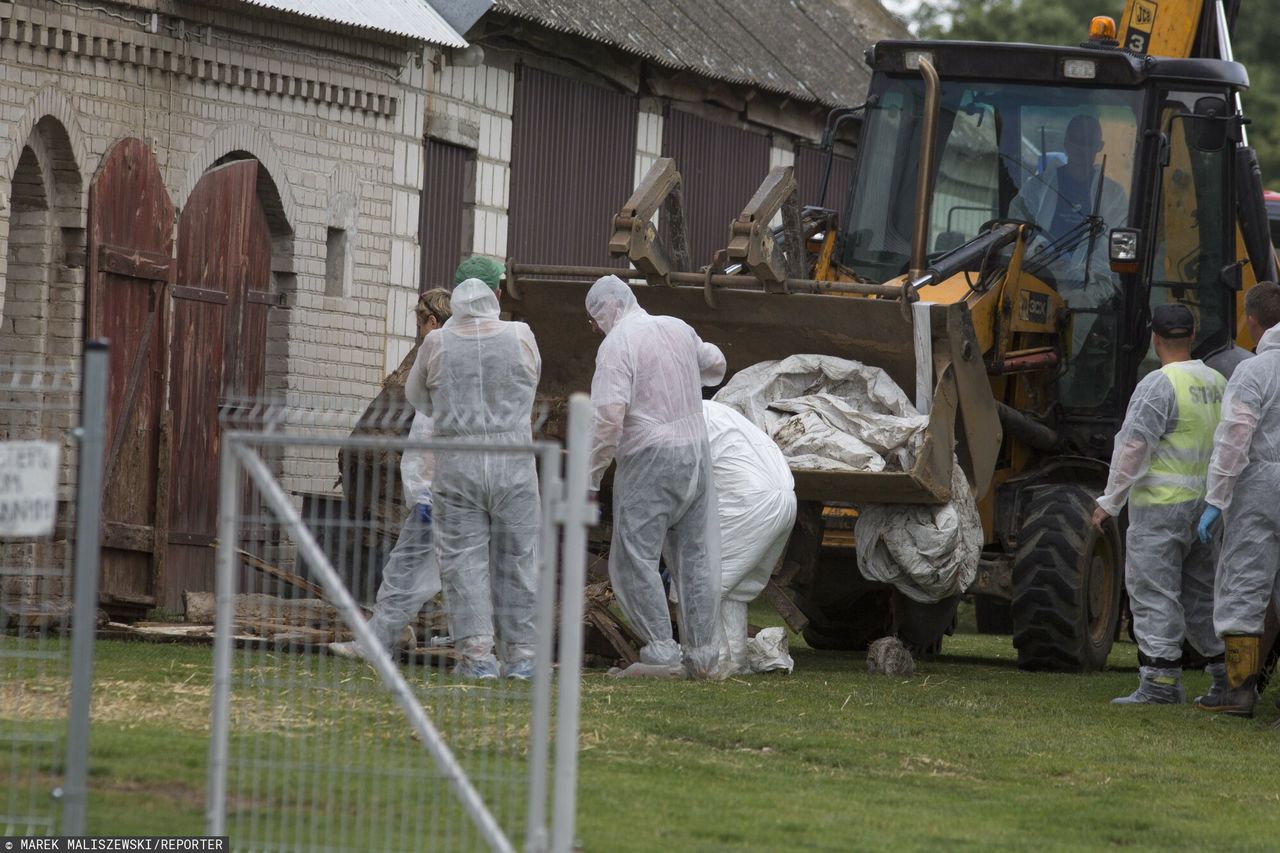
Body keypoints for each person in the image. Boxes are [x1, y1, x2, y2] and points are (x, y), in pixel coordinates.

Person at [405, 260, 542, 680]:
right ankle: (521, 658)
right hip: (513, 463)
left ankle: (478, 657)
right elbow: (531, 383)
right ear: (496, 297)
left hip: (458, 462)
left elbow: (418, 397)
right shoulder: (521, 335)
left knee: (464, 562)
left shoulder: (438, 343)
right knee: (518, 557)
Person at [586, 274, 726, 679]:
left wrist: (591, 479)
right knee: (696, 556)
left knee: (635, 558)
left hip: (650, 458)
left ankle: (663, 653)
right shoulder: (677, 327)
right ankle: (703, 657)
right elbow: (715, 363)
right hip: (696, 455)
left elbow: (608, 419)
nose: (596, 328)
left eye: (595, 319)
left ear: (608, 310)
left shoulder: (617, 345)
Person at [1090, 304, 1225, 704]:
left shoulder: (1158, 385)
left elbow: (1133, 447)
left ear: (1155, 338)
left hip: (1161, 509)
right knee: (1204, 596)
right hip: (1206, 510)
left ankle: (1160, 684)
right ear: (1193, 335)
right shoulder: (1218, 381)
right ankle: (1225, 679)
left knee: (1154, 592)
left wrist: (1108, 503)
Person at [330, 289, 453, 660]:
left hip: (433, 488)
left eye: (418, 324)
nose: (417, 332)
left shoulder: (434, 349)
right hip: (453, 484)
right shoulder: (474, 349)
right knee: (455, 569)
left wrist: (424, 489)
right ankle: (474, 645)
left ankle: (382, 639)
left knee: (406, 567)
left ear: (430, 322)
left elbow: (419, 410)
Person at [1194, 281, 1280, 717]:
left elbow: (1234, 438)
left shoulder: (1253, 371)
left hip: (1260, 490)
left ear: (1252, 320)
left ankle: (1237, 692)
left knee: (1244, 585)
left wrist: (1216, 498)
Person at [1009, 114, 1128, 405]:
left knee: (1078, 314)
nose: (1081, 147)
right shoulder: (1039, 187)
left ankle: (1068, 395)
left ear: (1098, 146)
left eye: (1088, 142)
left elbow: (1111, 249)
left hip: (1089, 289)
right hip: (1038, 279)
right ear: (1066, 143)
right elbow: (1016, 226)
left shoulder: (1112, 195)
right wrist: (1048, 262)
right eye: (1075, 140)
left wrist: (1075, 271)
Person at [699, 400, 797, 677]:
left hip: (749, 500)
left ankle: (711, 662)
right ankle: (735, 660)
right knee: (734, 587)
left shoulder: (685, 418)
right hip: (785, 496)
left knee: (703, 583)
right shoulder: (716, 411)